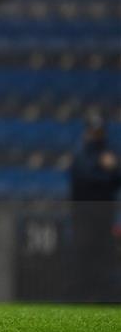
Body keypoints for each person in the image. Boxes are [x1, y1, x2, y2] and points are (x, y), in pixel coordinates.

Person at [69, 113, 121, 301]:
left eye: (99, 131)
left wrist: (111, 169)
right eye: (93, 131)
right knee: (83, 252)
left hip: (104, 213)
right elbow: (84, 178)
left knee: (104, 254)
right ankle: (79, 295)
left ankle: (103, 295)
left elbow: (115, 179)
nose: (96, 135)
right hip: (84, 213)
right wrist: (106, 170)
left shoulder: (107, 152)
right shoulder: (82, 152)